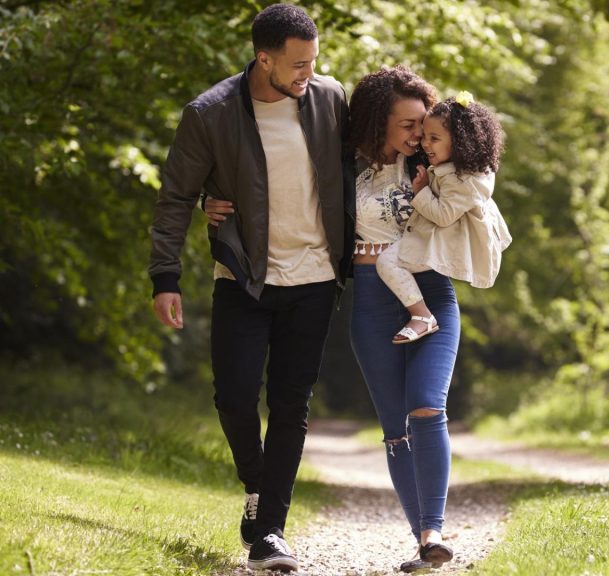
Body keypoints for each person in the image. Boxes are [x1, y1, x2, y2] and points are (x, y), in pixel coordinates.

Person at [207, 65, 459, 573]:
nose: (418, 134)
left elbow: (478, 184)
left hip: (429, 289)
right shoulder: (344, 163)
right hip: (371, 294)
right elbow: (278, 178)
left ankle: (433, 533)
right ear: (376, 123)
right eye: (407, 124)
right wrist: (212, 200)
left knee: (428, 407)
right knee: (394, 429)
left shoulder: (437, 162)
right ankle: (420, 538)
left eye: (423, 123)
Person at [148, 4, 353, 572]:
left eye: (313, 62)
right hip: (244, 276)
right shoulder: (210, 114)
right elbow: (174, 200)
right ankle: (259, 485)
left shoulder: (329, 98)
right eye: (296, 65)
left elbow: (363, 166)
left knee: (291, 403)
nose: (307, 74)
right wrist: (166, 276)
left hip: (314, 277)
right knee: (235, 396)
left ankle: (270, 532)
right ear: (263, 58)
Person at [375, 91, 512, 344]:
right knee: (391, 260)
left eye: (434, 138)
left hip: (448, 242)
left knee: (387, 263)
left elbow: (443, 215)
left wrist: (421, 192)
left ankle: (422, 316)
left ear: (460, 143)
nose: (425, 144)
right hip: (436, 237)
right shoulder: (456, 170)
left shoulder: (465, 181)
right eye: (425, 136)